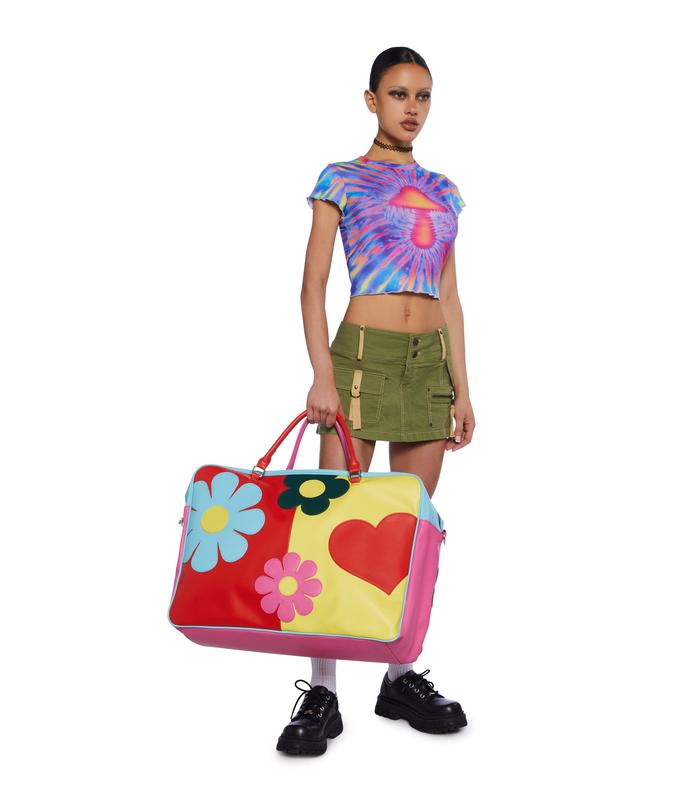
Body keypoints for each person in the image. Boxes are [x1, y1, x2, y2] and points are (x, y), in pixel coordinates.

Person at [278, 46, 476, 756]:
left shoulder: (444, 191)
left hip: (427, 367)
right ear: (371, 100)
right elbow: (313, 284)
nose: (412, 108)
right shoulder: (341, 178)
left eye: (423, 96)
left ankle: (398, 677)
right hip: (359, 360)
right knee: (332, 523)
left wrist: (463, 387)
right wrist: (321, 374)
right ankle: (323, 692)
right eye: (398, 94)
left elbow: (449, 294)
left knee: (407, 530)